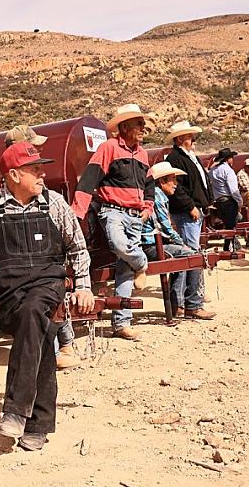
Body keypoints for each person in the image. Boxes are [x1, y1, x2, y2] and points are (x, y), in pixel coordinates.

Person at [0, 141, 94, 451]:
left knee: (34, 313)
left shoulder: (53, 203)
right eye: (34, 169)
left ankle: (15, 410)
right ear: (13, 175)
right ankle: (39, 424)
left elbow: (77, 247)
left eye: (42, 167)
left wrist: (82, 285)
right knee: (38, 331)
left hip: (48, 287)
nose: (42, 174)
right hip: (7, 294)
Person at [0, 125, 78, 369]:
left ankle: (64, 345)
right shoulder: (6, 187)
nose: (39, 149)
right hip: (22, 263)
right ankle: (52, 353)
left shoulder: (40, 187)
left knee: (51, 291)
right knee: (41, 299)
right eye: (32, 145)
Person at [73, 104, 153, 341]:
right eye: (138, 123)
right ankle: (142, 262)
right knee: (120, 246)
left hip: (136, 216)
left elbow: (149, 186)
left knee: (124, 270)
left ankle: (121, 324)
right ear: (124, 126)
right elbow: (89, 180)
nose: (143, 127)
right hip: (113, 212)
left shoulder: (143, 154)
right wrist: (76, 213)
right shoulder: (108, 148)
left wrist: (148, 208)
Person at [141, 162, 215, 320]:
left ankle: (178, 305)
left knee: (182, 257)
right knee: (193, 256)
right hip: (151, 246)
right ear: (162, 181)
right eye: (172, 180)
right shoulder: (157, 197)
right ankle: (193, 305)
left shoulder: (158, 196)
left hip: (154, 243)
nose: (175, 184)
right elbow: (165, 228)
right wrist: (181, 242)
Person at [164, 121, 212, 314]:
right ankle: (191, 302)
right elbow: (178, 188)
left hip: (195, 210)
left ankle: (183, 300)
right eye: (191, 137)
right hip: (187, 212)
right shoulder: (176, 158)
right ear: (180, 139)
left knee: (189, 254)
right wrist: (190, 206)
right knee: (190, 256)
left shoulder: (190, 157)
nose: (194, 140)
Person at [208, 148, 244, 252]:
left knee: (228, 225)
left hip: (218, 201)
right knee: (231, 226)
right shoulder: (228, 170)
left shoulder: (213, 171)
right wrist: (239, 202)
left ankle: (229, 247)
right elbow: (233, 190)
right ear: (228, 159)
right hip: (228, 200)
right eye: (231, 158)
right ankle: (230, 248)